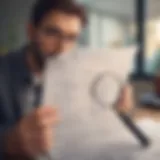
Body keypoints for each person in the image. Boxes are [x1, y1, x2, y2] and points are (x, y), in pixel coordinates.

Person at [0, 0, 134, 159]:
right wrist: (8, 143)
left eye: (71, 38)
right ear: (31, 31)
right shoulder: (4, 73)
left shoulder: (80, 73)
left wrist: (120, 114)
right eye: (52, 33)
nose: (62, 50)